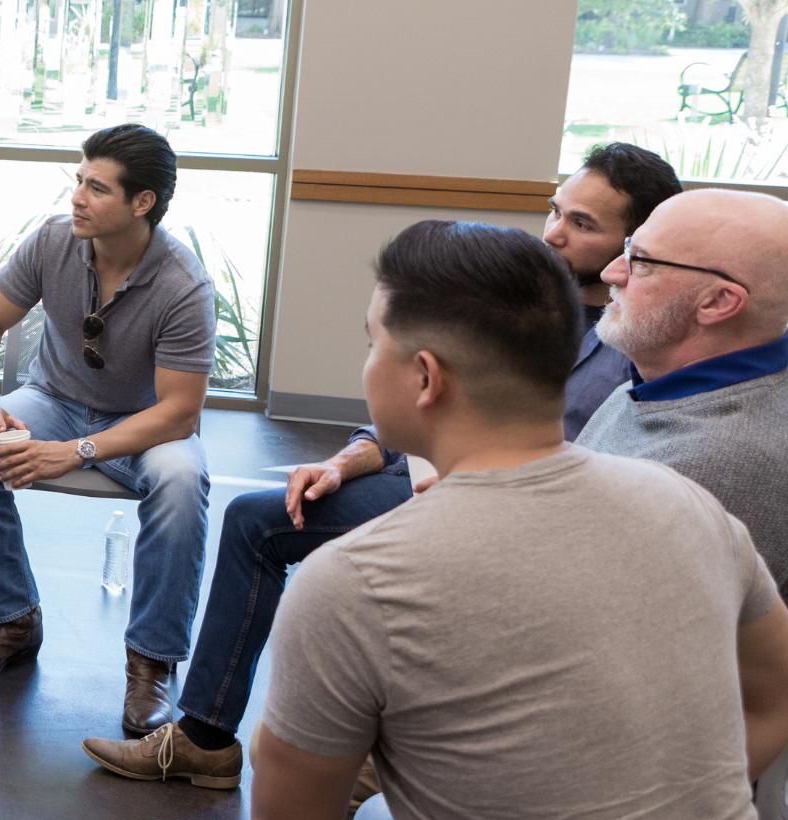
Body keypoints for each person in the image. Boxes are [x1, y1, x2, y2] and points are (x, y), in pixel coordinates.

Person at [101, 220, 788, 820]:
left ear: (424, 378)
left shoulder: (358, 578)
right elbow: (775, 697)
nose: (368, 366)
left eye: (371, 346)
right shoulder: (689, 505)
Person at [82, 141, 684, 787]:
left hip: (505, 509)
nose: (554, 234)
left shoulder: (639, 344)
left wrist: (463, 488)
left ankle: (355, 767)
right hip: (427, 474)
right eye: (556, 211)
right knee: (259, 518)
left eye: (583, 225)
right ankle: (206, 739)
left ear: (636, 244)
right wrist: (347, 460)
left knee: (308, 558)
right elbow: (424, 389)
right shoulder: (520, 292)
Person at [0, 123, 214, 723]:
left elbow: (180, 413)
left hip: (145, 424)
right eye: (79, 181)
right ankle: (11, 621)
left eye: (97, 188)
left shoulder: (183, 285)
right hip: (53, 399)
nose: (77, 198)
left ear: (142, 203)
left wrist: (77, 451)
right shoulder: (52, 242)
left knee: (181, 482)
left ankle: (151, 663)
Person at [579, 187, 788, 590]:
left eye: (641, 262)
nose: (612, 273)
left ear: (717, 302)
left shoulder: (716, 461)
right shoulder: (664, 383)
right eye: (628, 249)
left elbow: (599, 619)